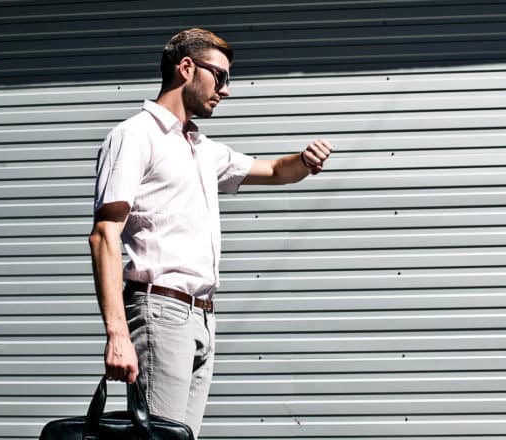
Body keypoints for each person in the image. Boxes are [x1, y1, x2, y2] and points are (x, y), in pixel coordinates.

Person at [88, 27, 333, 438]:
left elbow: (274, 171)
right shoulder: (135, 136)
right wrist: (117, 334)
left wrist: (304, 161)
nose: (227, 90)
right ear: (186, 68)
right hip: (159, 311)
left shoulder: (202, 151)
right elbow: (104, 234)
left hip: (201, 317)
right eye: (220, 76)